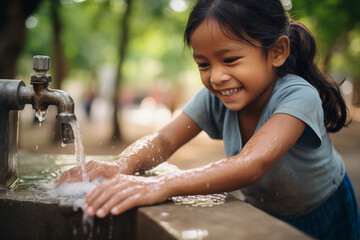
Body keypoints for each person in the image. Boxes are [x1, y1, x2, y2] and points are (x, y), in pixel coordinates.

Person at [57, 0, 360, 239]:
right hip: (265, 211)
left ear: (277, 51)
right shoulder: (217, 96)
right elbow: (163, 140)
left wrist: (164, 184)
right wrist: (120, 164)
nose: (216, 77)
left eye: (230, 60)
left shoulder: (297, 95)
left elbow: (253, 163)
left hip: (325, 210)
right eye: (203, 64)